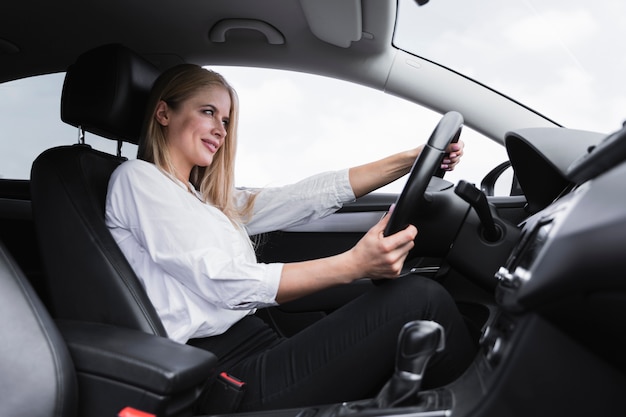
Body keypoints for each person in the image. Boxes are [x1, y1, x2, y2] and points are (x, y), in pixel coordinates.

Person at [105, 64, 474, 412]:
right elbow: (222, 281)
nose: (220, 128)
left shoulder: (205, 197)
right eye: (207, 112)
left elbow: (300, 198)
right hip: (223, 377)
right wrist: (352, 265)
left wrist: (409, 160)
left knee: (412, 311)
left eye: (226, 119)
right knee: (418, 301)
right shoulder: (139, 179)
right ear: (164, 114)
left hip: (257, 345)